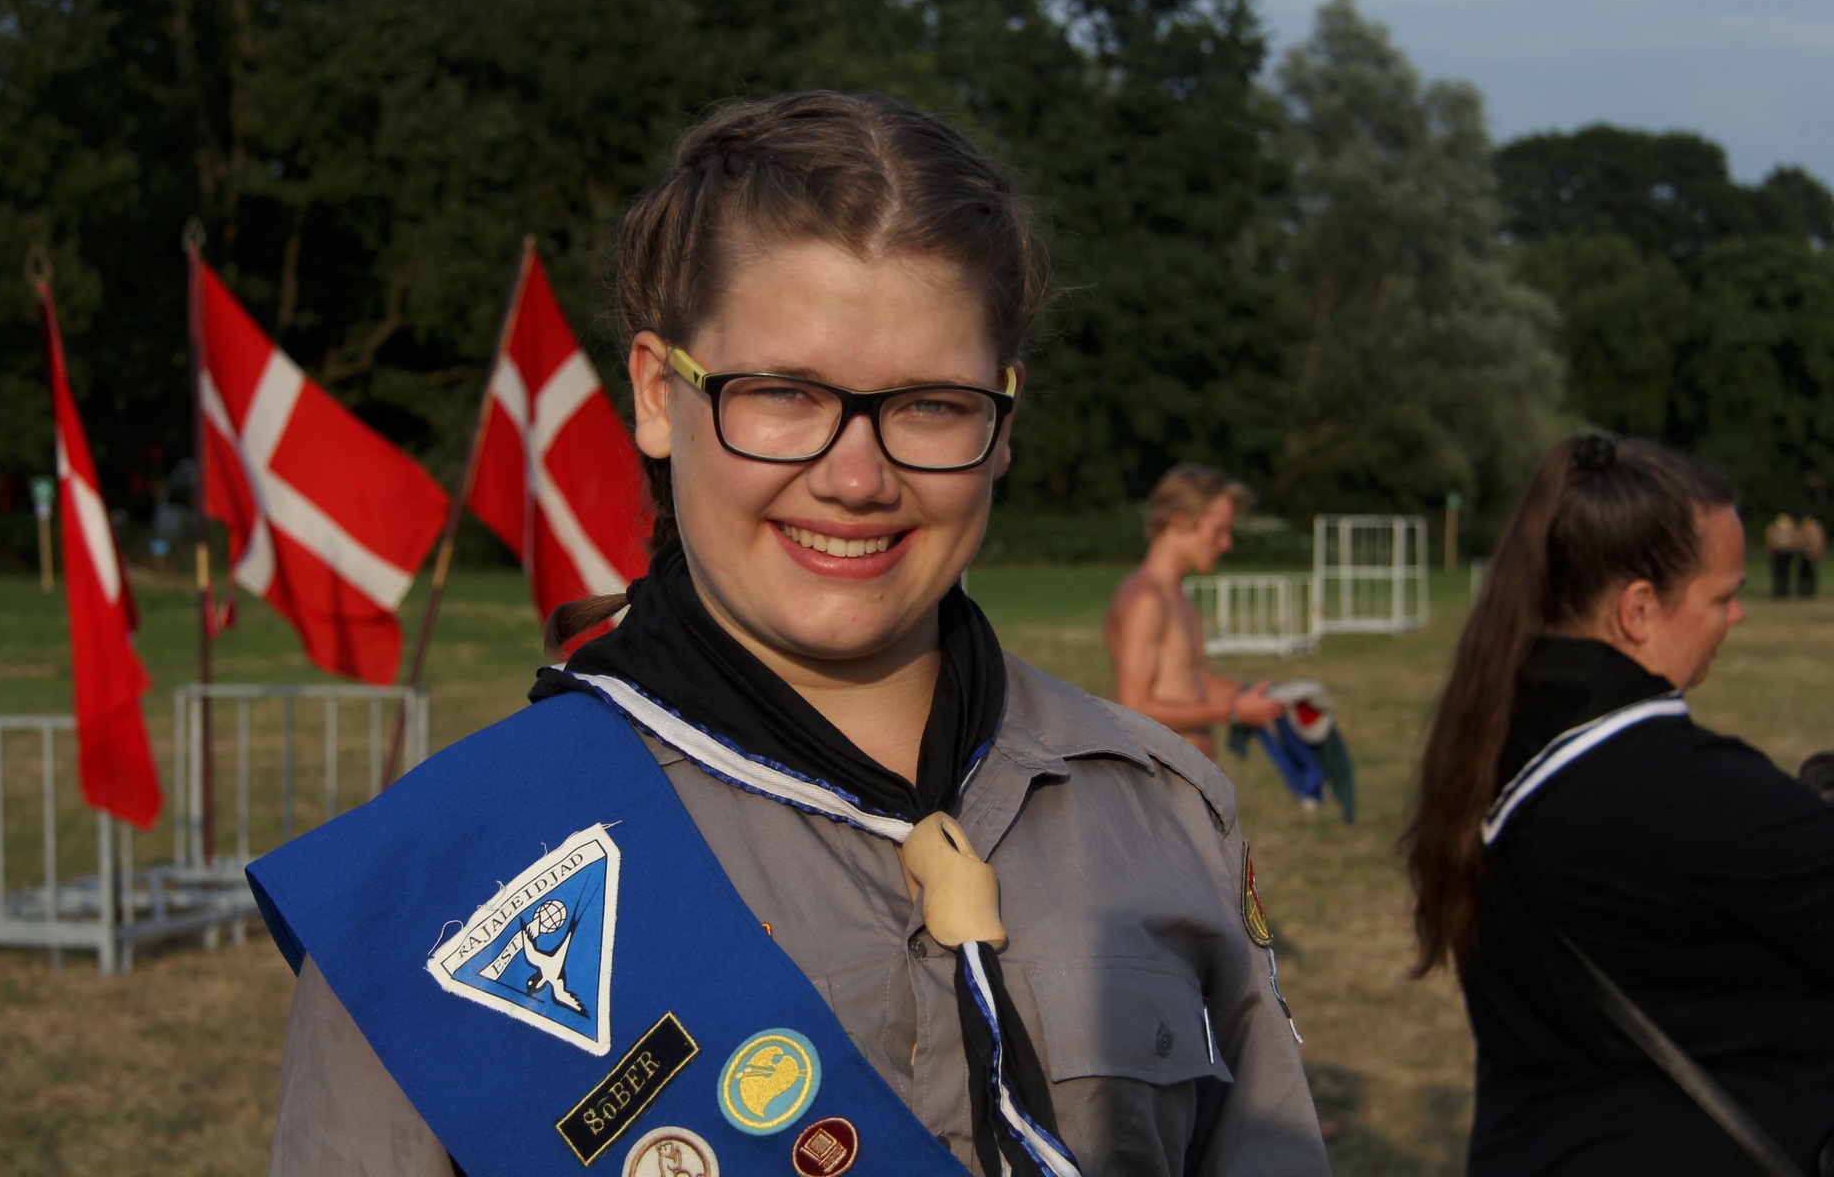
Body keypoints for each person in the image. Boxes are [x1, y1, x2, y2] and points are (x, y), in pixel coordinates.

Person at [251, 92, 1328, 1177]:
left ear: (1003, 422)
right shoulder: (437, 893)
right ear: (657, 396)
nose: (856, 478)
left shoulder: (1165, 812)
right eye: (782, 393)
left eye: (931, 403)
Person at [1404, 434, 1834, 1177]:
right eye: (1722, 597)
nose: (1737, 618)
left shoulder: (1502, 739)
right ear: (1638, 609)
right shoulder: (1672, 787)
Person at [1105, 465, 1284, 760]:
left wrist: (1270, 698)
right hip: (1160, 782)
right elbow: (1134, 706)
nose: (1227, 544)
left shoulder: (1176, 595)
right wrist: (1234, 711)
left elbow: (1193, 681)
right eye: (1218, 531)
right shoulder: (1145, 599)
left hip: (1191, 779)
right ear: (1180, 521)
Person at [1766, 512, 1798, 598]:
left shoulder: (1790, 530)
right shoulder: (1774, 530)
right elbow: (1770, 541)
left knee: (1784, 572)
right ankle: (1778, 591)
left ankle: (1784, 591)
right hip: (1778, 552)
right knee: (1778, 572)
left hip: (1787, 552)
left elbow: (1794, 541)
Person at [1798, 514, 1824, 598]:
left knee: (1811, 572)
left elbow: (1819, 542)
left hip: (1813, 553)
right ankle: (1802, 590)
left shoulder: (1816, 529)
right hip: (1804, 553)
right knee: (1803, 573)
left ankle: (1810, 590)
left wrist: (1816, 551)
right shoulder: (1802, 530)